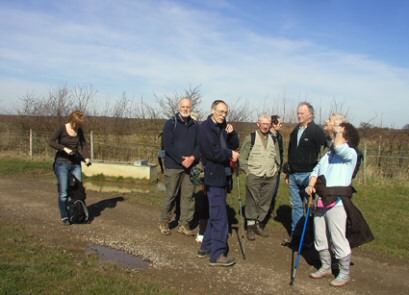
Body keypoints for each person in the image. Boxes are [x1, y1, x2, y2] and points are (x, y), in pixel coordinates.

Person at [305, 122, 366, 287]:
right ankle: (325, 267)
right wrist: (311, 184)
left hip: (337, 202)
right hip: (321, 200)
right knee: (320, 236)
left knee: (338, 238)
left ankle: (344, 273)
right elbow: (316, 171)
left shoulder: (350, 153)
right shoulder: (328, 155)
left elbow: (339, 147)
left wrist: (337, 130)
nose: (335, 133)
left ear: (346, 136)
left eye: (340, 132)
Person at [196, 100, 240, 267]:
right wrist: (230, 154)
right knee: (220, 216)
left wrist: (232, 133)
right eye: (220, 111)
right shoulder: (205, 128)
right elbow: (212, 152)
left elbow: (234, 145)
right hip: (214, 176)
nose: (223, 115)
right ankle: (218, 254)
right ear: (212, 110)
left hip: (223, 177)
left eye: (225, 112)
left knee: (216, 213)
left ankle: (206, 247)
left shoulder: (223, 126)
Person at [282, 102, 326, 246]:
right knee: (296, 206)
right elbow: (291, 151)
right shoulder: (296, 130)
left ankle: (310, 238)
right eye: (298, 113)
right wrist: (288, 172)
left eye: (302, 113)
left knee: (311, 207)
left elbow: (330, 146)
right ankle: (296, 236)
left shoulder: (316, 131)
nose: (299, 115)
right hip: (294, 175)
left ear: (310, 114)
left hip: (309, 175)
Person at [158, 98, 200, 236]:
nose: (185, 109)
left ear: (191, 108)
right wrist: (182, 160)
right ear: (179, 107)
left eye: (188, 107)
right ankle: (164, 222)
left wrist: (192, 158)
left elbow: (199, 145)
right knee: (171, 195)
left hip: (191, 167)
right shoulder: (171, 124)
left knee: (189, 196)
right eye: (183, 106)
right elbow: (168, 145)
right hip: (173, 166)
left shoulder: (195, 125)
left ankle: (184, 224)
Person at [240, 113, 278, 241]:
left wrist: (276, 170)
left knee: (265, 202)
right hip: (254, 175)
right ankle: (250, 227)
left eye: (267, 124)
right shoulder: (250, 138)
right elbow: (242, 157)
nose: (265, 126)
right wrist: (247, 172)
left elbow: (277, 156)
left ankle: (258, 224)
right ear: (258, 124)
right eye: (263, 124)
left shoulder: (274, 139)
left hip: (270, 176)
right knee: (252, 201)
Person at [48, 110, 91, 225]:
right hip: (62, 163)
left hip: (75, 164)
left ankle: (78, 213)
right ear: (72, 120)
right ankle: (65, 216)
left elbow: (83, 144)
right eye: (75, 124)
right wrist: (64, 148)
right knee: (64, 191)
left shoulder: (79, 130)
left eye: (79, 125)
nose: (76, 126)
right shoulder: (62, 128)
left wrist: (86, 157)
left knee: (78, 190)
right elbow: (51, 142)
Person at [268, 115, 284, 217]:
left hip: (277, 169)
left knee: (274, 191)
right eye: (280, 123)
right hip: (269, 168)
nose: (281, 125)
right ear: (273, 124)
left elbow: (281, 152)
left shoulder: (279, 136)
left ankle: (270, 210)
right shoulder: (267, 135)